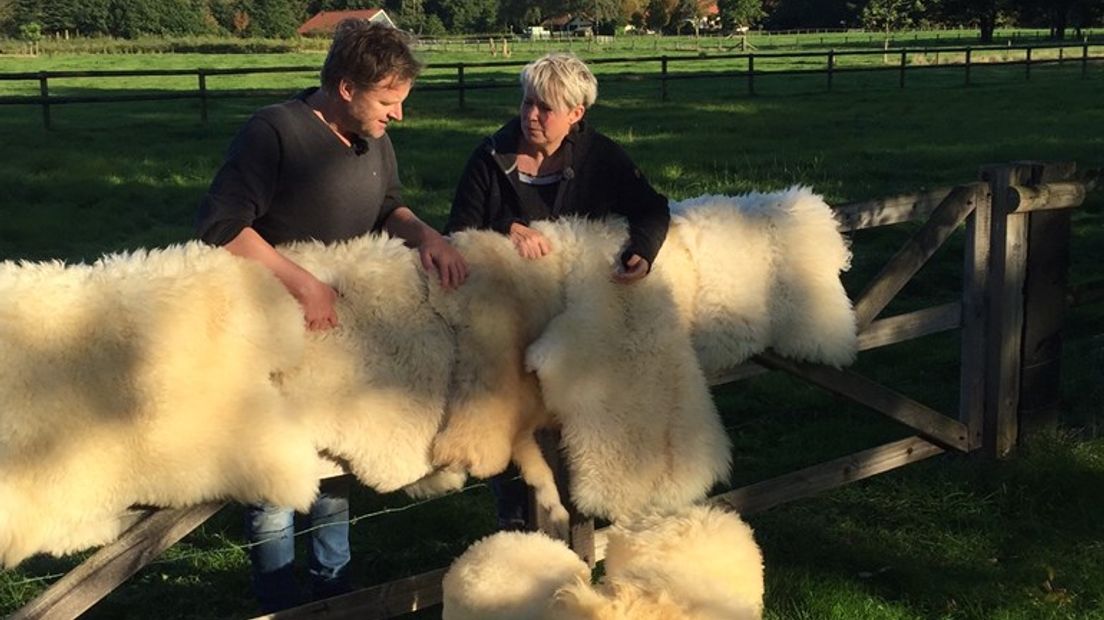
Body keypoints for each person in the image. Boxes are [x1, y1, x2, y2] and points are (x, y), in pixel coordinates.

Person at [195, 19, 467, 613]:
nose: (397, 116)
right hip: (277, 337)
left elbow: (389, 207)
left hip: (342, 340)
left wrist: (428, 236)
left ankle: (332, 593)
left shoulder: (373, 140)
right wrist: (301, 283)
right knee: (277, 478)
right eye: (388, 101)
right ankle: (276, 600)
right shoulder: (274, 133)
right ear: (347, 87)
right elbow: (221, 226)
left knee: (334, 468)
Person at [445, 52, 670, 530]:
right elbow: (459, 233)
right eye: (527, 102)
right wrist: (507, 228)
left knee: (581, 418)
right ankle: (519, 531)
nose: (531, 115)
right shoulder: (490, 157)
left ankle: (593, 527)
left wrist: (643, 251)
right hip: (509, 321)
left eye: (545, 108)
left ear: (576, 113)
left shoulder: (601, 157)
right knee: (515, 426)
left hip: (576, 321)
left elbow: (651, 207)